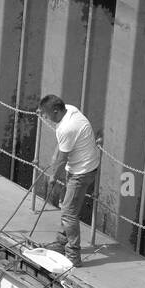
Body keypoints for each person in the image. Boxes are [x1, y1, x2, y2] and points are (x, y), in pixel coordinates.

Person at [35, 94, 100, 266]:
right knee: (67, 205)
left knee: (68, 212)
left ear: (56, 111)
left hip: (81, 172)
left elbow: (63, 158)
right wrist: (54, 158)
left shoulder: (67, 127)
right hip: (82, 167)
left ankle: (73, 254)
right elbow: (61, 147)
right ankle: (61, 242)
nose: (46, 118)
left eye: (47, 114)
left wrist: (52, 177)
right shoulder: (70, 110)